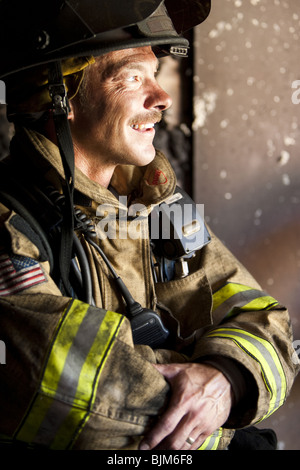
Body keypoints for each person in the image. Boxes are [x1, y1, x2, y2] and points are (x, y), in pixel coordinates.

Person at [0, 0, 298, 451]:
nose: (162, 99)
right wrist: (226, 421)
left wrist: (225, 379)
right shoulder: (10, 227)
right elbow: (91, 403)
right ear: (59, 97)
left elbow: (265, 321)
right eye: (133, 77)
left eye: (156, 76)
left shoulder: (158, 204)